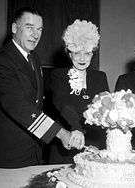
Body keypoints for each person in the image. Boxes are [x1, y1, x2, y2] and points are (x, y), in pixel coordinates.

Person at [0, 7, 84, 168]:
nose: (35, 35)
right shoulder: (0, 61)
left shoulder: (34, 58)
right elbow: (19, 107)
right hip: (6, 153)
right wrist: (61, 133)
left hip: (32, 149)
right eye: (29, 28)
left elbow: (39, 103)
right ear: (15, 28)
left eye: (39, 29)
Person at [48, 20, 109, 164]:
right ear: (69, 53)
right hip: (67, 142)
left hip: (93, 145)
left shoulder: (100, 77)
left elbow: (105, 109)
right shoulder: (58, 75)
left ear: (93, 53)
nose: (82, 58)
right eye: (77, 53)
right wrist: (76, 128)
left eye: (87, 53)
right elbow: (63, 104)